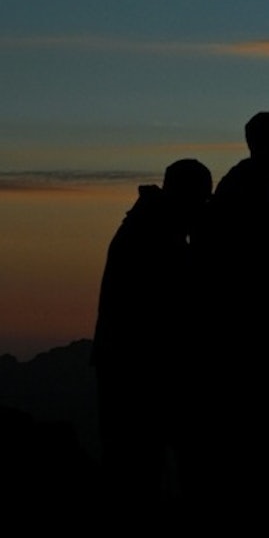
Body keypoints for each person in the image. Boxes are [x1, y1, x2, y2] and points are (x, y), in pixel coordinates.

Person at [189, 112, 269, 509]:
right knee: (263, 417)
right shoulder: (250, 187)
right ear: (263, 144)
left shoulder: (254, 186)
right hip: (257, 327)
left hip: (267, 320)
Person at [91, 158, 212, 507]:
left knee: (135, 464)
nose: (204, 207)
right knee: (137, 466)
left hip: (130, 364)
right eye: (201, 199)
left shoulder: (152, 228)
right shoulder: (155, 237)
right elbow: (181, 302)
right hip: (139, 369)